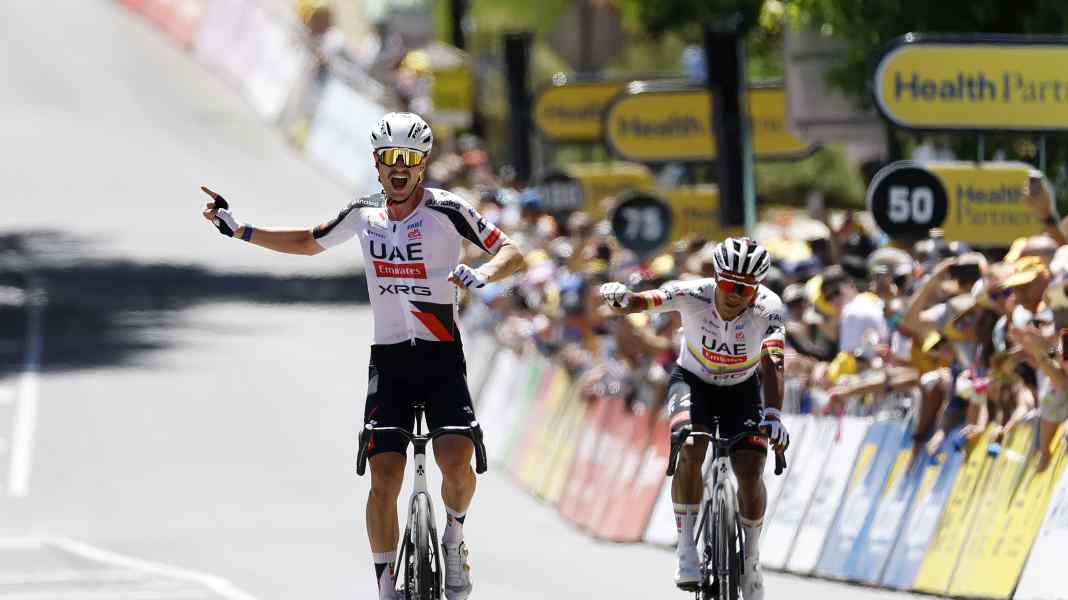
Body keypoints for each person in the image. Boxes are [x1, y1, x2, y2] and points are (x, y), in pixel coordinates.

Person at [199, 112, 526, 600]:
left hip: (441, 357)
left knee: (456, 462)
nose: (399, 167)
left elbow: (512, 252)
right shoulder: (363, 213)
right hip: (390, 361)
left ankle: (454, 537)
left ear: (423, 164)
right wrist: (240, 230)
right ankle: (386, 587)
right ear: (376, 163)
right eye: (390, 157)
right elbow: (308, 242)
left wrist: (483, 275)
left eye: (409, 158)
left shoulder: (448, 209)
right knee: (384, 477)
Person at [598, 237, 788, 600]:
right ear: (716, 279)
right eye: (729, 285)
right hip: (693, 382)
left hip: (742, 389)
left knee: (751, 468)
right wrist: (621, 297)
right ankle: (686, 548)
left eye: (746, 289)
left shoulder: (769, 307)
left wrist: (774, 415)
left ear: (757, 289)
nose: (736, 296)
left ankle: (751, 559)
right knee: (691, 446)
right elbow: (644, 301)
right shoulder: (692, 293)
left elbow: (774, 363)